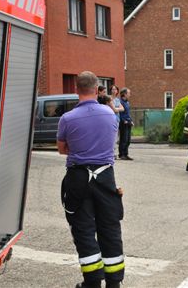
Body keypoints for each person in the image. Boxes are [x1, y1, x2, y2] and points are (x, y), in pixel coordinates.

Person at [57, 71, 124, 288]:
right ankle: (114, 283)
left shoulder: (67, 118)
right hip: (105, 177)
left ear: (77, 90)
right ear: (96, 90)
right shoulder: (110, 115)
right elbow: (109, 142)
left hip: (77, 178)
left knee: (84, 229)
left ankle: (92, 282)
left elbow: (62, 149)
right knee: (110, 228)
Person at [118, 87, 133, 160]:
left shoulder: (127, 102)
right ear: (124, 94)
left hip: (128, 122)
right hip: (123, 123)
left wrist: (131, 120)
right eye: (129, 93)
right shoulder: (120, 102)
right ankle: (121, 154)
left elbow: (128, 113)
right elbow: (120, 113)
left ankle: (126, 154)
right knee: (123, 139)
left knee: (128, 140)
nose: (130, 94)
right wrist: (124, 120)